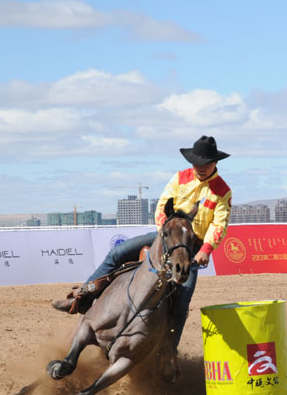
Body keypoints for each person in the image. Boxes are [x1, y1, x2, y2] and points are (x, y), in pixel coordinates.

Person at [51, 135, 232, 348]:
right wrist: (164, 233)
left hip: (191, 247)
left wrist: (205, 250)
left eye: (205, 163)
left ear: (215, 162)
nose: (200, 168)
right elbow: (162, 205)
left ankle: (169, 351)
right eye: (196, 163)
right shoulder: (180, 178)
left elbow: (219, 224)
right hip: (166, 236)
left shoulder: (222, 191)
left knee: (182, 299)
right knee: (118, 254)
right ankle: (80, 297)